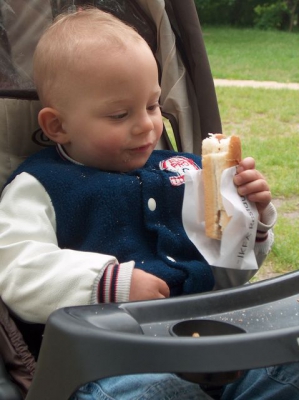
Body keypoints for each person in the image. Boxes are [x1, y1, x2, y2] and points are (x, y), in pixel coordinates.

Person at [0, 7, 297, 400]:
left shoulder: (184, 171)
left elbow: (224, 276)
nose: (147, 125)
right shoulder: (39, 185)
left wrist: (251, 224)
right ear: (58, 125)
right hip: (109, 362)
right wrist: (109, 284)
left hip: (208, 341)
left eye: (154, 106)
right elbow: (17, 268)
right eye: (120, 113)